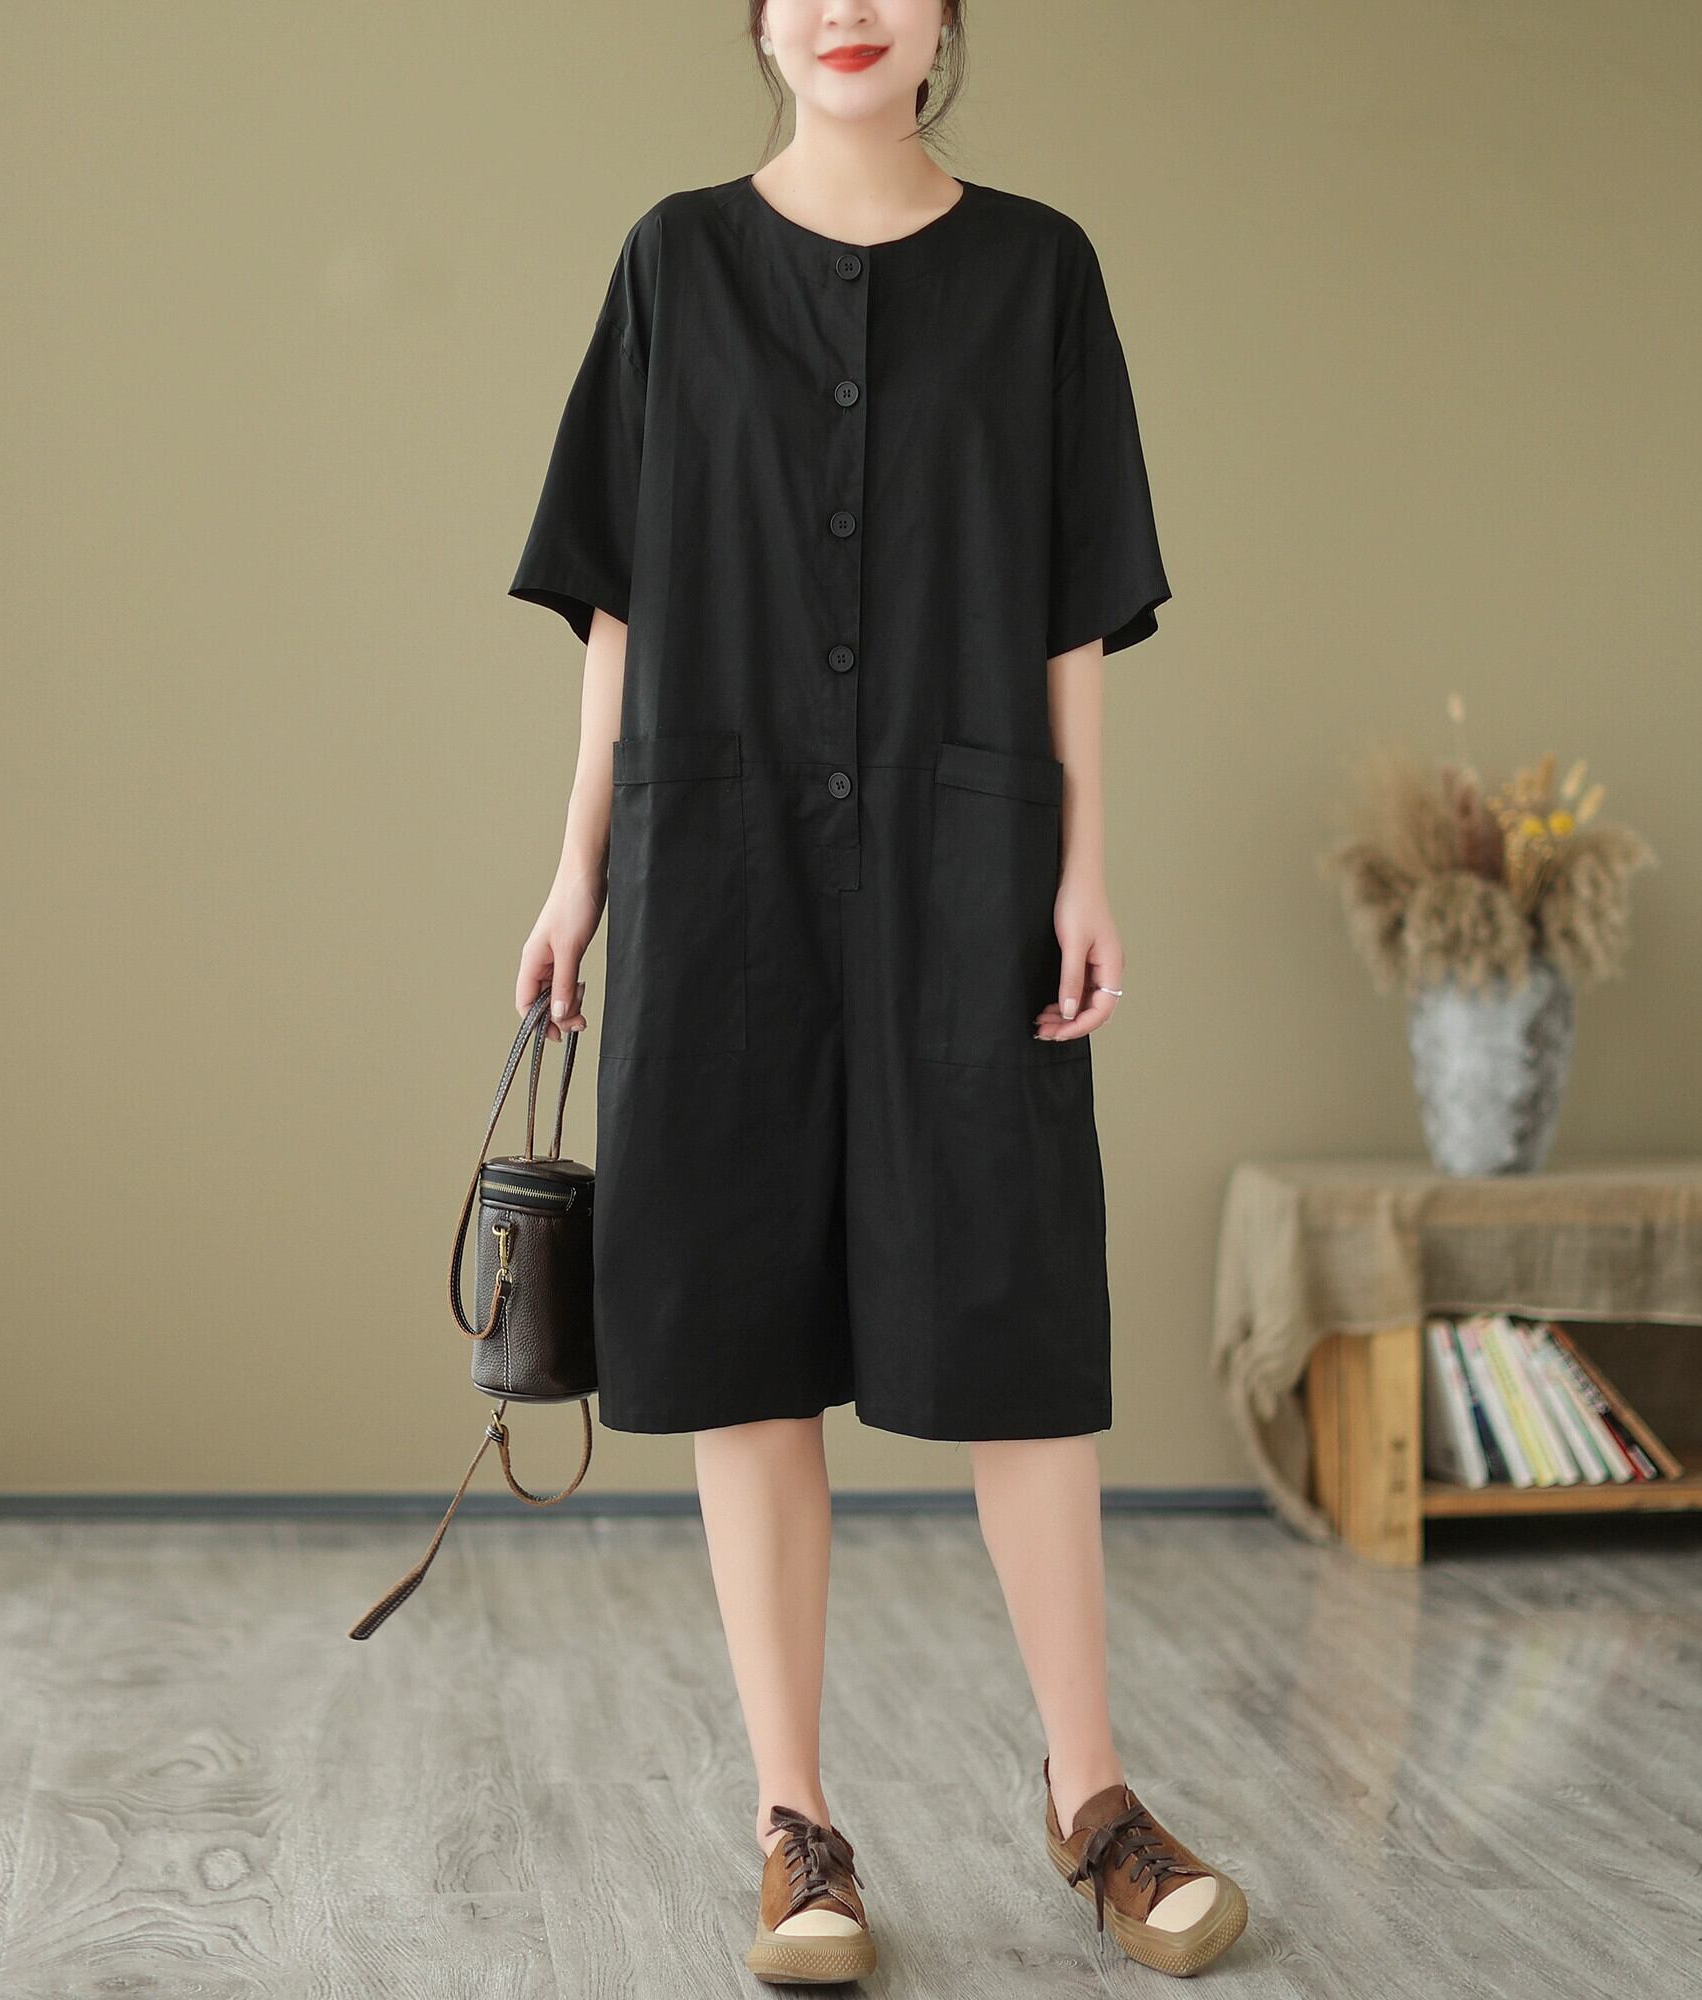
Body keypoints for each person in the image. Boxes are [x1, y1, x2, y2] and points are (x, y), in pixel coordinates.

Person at [504, 1, 1248, 1982]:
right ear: (758, 20)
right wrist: (577, 867)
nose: (847, 9)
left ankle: (1091, 1798)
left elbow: (1075, 604)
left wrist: (1082, 861)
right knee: (738, 1319)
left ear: (945, 20)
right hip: (718, 851)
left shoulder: (1041, 272)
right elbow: (617, 602)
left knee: (1017, 1306)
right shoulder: (674, 265)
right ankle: (797, 1827)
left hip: (964, 846)